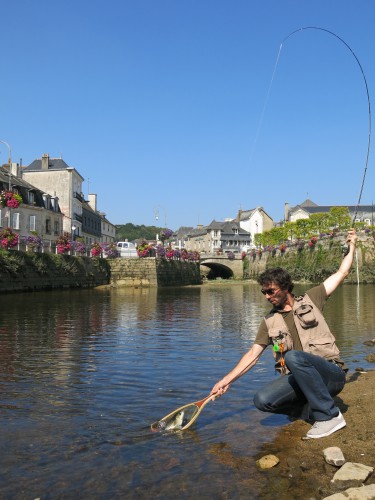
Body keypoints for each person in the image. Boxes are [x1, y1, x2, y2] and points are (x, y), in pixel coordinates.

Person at [210, 229, 358, 439]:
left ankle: (329, 416)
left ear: (285, 287)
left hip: (331, 375)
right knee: (262, 400)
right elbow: (252, 355)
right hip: (302, 379)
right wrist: (226, 381)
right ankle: (308, 408)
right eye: (264, 292)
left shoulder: (312, 299)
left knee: (293, 356)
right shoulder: (269, 322)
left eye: (271, 291)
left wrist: (351, 246)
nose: (267, 296)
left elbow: (341, 273)